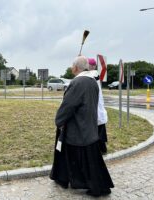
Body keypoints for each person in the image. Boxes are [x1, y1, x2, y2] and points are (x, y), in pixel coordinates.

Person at [50, 56, 114, 197]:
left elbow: (69, 105)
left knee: (77, 158)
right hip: (89, 127)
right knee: (88, 161)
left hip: (78, 128)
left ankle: (89, 184)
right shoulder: (92, 81)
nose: (71, 67)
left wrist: (59, 120)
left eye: (72, 65)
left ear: (75, 68)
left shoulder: (78, 82)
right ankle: (70, 179)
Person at [88, 58, 108, 154]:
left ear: (92, 66)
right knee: (99, 129)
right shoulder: (93, 74)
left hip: (97, 107)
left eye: (89, 65)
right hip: (96, 107)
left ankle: (102, 149)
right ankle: (101, 149)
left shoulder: (94, 74)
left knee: (99, 130)